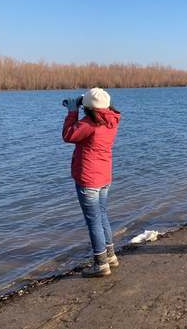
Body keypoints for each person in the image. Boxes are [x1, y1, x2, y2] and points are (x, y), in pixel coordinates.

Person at [62, 88, 121, 277]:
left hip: (89, 178)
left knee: (93, 221)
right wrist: (83, 104)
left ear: (88, 107)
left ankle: (101, 264)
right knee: (102, 216)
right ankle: (110, 256)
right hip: (104, 176)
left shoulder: (88, 123)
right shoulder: (111, 120)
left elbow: (68, 135)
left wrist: (73, 111)